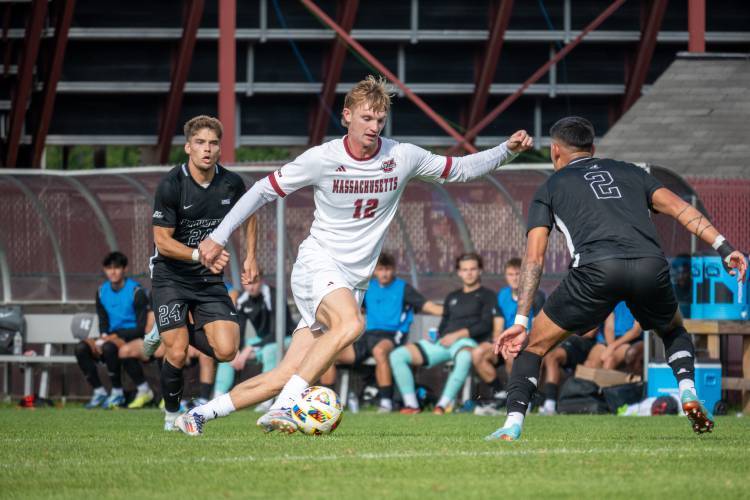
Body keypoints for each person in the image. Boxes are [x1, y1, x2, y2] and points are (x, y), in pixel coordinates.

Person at [176, 75, 532, 435]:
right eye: (366, 118)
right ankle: (286, 406)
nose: (374, 127)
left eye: (380, 120)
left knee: (284, 374)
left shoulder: (401, 156)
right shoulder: (322, 158)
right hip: (317, 265)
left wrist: (507, 150)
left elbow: (460, 170)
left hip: (352, 282)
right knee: (352, 324)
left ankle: (199, 415)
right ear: (346, 116)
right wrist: (218, 237)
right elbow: (261, 192)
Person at [489, 116, 747, 441]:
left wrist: (521, 319)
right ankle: (688, 392)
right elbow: (681, 209)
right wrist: (724, 247)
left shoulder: (550, 187)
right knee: (673, 330)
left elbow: (534, 258)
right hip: (650, 265)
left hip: (597, 269)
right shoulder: (632, 171)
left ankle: (512, 424)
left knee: (531, 348)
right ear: (593, 148)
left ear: (555, 152)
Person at [149, 115, 258, 431]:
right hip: (171, 277)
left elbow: (250, 213)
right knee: (178, 351)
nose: (207, 149)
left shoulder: (231, 183)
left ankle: (171, 326)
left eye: (213, 143)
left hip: (208, 279)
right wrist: (201, 253)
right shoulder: (171, 185)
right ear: (188, 148)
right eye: (200, 143)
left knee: (227, 351)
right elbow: (162, 242)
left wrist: (251, 255)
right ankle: (172, 414)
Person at [319, 252, 443, 412]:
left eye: (388, 269)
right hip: (369, 336)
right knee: (331, 353)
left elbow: (429, 307)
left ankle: (386, 402)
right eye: (380, 269)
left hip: (392, 336)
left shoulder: (403, 288)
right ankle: (326, 402)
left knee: (379, 351)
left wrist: (451, 311)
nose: (384, 273)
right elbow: (351, 309)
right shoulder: (367, 287)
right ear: (374, 271)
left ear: (394, 269)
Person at [390, 252, 497, 414]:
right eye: (465, 269)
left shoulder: (488, 296)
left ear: (480, 270)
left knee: (465, 356)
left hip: (467, 343)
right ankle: (412, 405)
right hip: (443, 343)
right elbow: (444, 323)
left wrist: (457, 335)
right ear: (459, 272)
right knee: (397, 355)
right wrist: (436, 336)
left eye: (473, 269)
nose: (469, 273)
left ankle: (442, 405)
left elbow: (485, 324)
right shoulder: (452, 297)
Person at [74, 252, 150, 409]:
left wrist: (114, 337)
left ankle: (117, 393)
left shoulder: (136, 292)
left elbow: (141, 328)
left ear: (125, 269)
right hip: (110, 337)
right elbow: (103, 320)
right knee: (81, 347)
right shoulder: (102, 291)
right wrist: (102, 336)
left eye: (117, 268)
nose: (113, 272)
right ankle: (100, 392)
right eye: (109, 268)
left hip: (132, 336)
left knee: (109, 347)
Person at [213, 270, 294, 413]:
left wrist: (250, 348)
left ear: (261, 280)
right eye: (247, 283)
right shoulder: (243, 300)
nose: (251, 287)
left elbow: (277, 332)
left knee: (270, 351)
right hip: (262, 340)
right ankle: (217, 398)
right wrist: (238, 350)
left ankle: (266, 400)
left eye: (254, 282)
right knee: (229, 351)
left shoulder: (274, 295)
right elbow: (240, 329)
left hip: (286, 338)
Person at [473, 257, 544, 415]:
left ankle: (522, 398)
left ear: (525, 276)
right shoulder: (502, 295)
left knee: (512, 355)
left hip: (527, 343)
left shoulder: (537, 296)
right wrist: (498, 341)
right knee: (478, 353)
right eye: (510, 274)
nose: (514, 278)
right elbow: (498, 325)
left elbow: (538, 327)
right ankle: (500, 393)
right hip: (505, 341)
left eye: (518, 274)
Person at [538, 328, 597, 416]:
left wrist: (562, 332)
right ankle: (530, 401)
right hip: (565, 340)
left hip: (581, 342)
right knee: (537, 356)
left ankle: (550, 404)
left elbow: (590, 333)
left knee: (552, 357)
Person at [584, 301, 642, 370]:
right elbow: (609, 327)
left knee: (609, 361)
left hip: (628, 341)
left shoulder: (639, 300)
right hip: (607, 340)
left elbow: (636, 331)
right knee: (590, 364)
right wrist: (610, 347)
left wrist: (612, 347)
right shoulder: (611, 296)